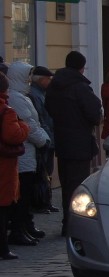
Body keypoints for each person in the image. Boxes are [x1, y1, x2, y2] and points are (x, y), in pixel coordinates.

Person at [45, 51, 103, 236]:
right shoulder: (80, 87)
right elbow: (94, 112)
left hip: (62, 140)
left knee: (66, 184)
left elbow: (49, 108)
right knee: (78, 185)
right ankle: (75, 224)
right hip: (79, 142)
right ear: (81, 67)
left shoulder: (55, 86)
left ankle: (66, 222)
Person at [5, 62, 51, 244]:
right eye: (28, 75)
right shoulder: (15, 98)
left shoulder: (22, 96)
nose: (30, 79)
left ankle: (24, 227)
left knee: (26, 195)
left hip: (28, 154)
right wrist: (43, 139)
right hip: (24, 154)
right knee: (21, 197)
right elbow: (29, 125)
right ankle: (19, 230)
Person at [0, 72, 30, 260]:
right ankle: (3, 248)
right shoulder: (6, 110)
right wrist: (24, 127)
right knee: (2, 209)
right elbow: (14, 135)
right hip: (4, 165)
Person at [28, 66, 59, 213]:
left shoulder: (42, 93)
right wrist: (46, 136)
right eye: (48, 79)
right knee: (43, 172)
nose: (50, 82)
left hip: (49, 136)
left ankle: (46, 200)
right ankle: (41, 201)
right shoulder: (35, 95)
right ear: (41, 80)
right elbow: (40, 118)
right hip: (45, 137)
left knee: (47, 171)